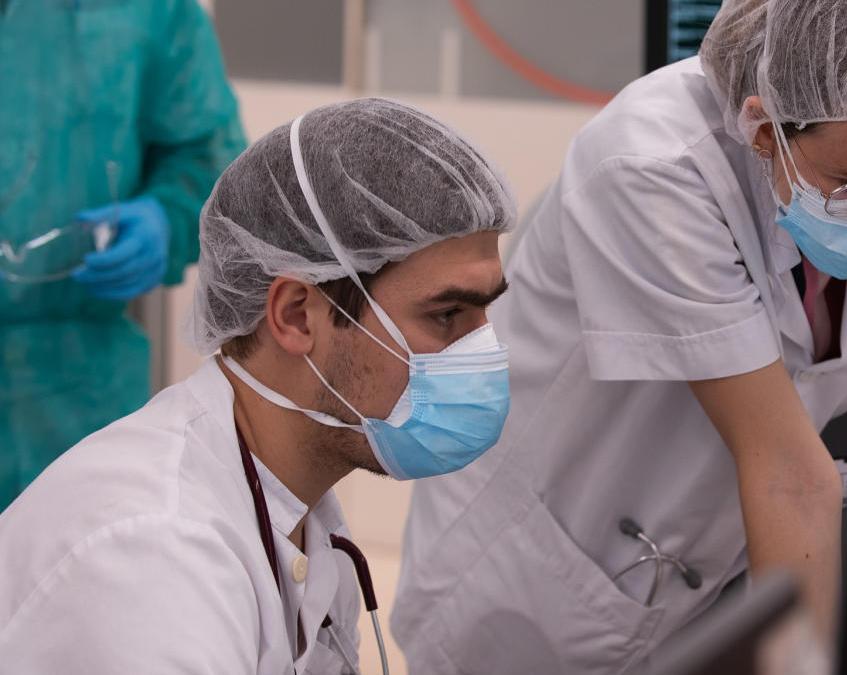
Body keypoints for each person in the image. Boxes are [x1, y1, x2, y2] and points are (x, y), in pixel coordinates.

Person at [392, 0, 847, 671]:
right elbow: (789, 471)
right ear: (764, 132)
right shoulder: (652, 166)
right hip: (538, 583)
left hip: (717, 582)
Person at [0, 99, 515, 673]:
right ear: (297, 316)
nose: (483, 352)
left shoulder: (297, 512)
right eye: (447, 315)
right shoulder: (153, 559)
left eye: (485, 314)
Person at [0, 0, 246, 509]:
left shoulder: (150, 10)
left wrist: (168, 215)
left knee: (81, 560)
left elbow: (207, 155)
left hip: (74, 384)